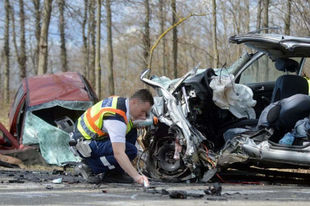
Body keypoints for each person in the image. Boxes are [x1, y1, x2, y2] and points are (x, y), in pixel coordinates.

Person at [73, 89, 154, 185]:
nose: (144, 117)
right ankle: (88, 166)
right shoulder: (115, 117)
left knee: (132, 131)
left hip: (85, 135)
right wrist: (137, 177)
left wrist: (135, 123)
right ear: (134, 102)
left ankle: (114, 173)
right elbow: (119, 153)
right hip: (84, 144)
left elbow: (123, 125)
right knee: (130, 151)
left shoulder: (121, 102)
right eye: (142, 111)